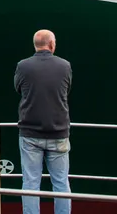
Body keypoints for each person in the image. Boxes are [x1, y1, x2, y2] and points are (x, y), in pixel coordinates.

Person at [14, 29, 72, 214]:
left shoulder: (23, 66)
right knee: (61, 183)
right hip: (59, 132)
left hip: (30, 133)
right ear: (52, 45)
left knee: (30, 183)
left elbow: (18, 88)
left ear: (35, 45)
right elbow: (67, 89)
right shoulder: (65, 65)